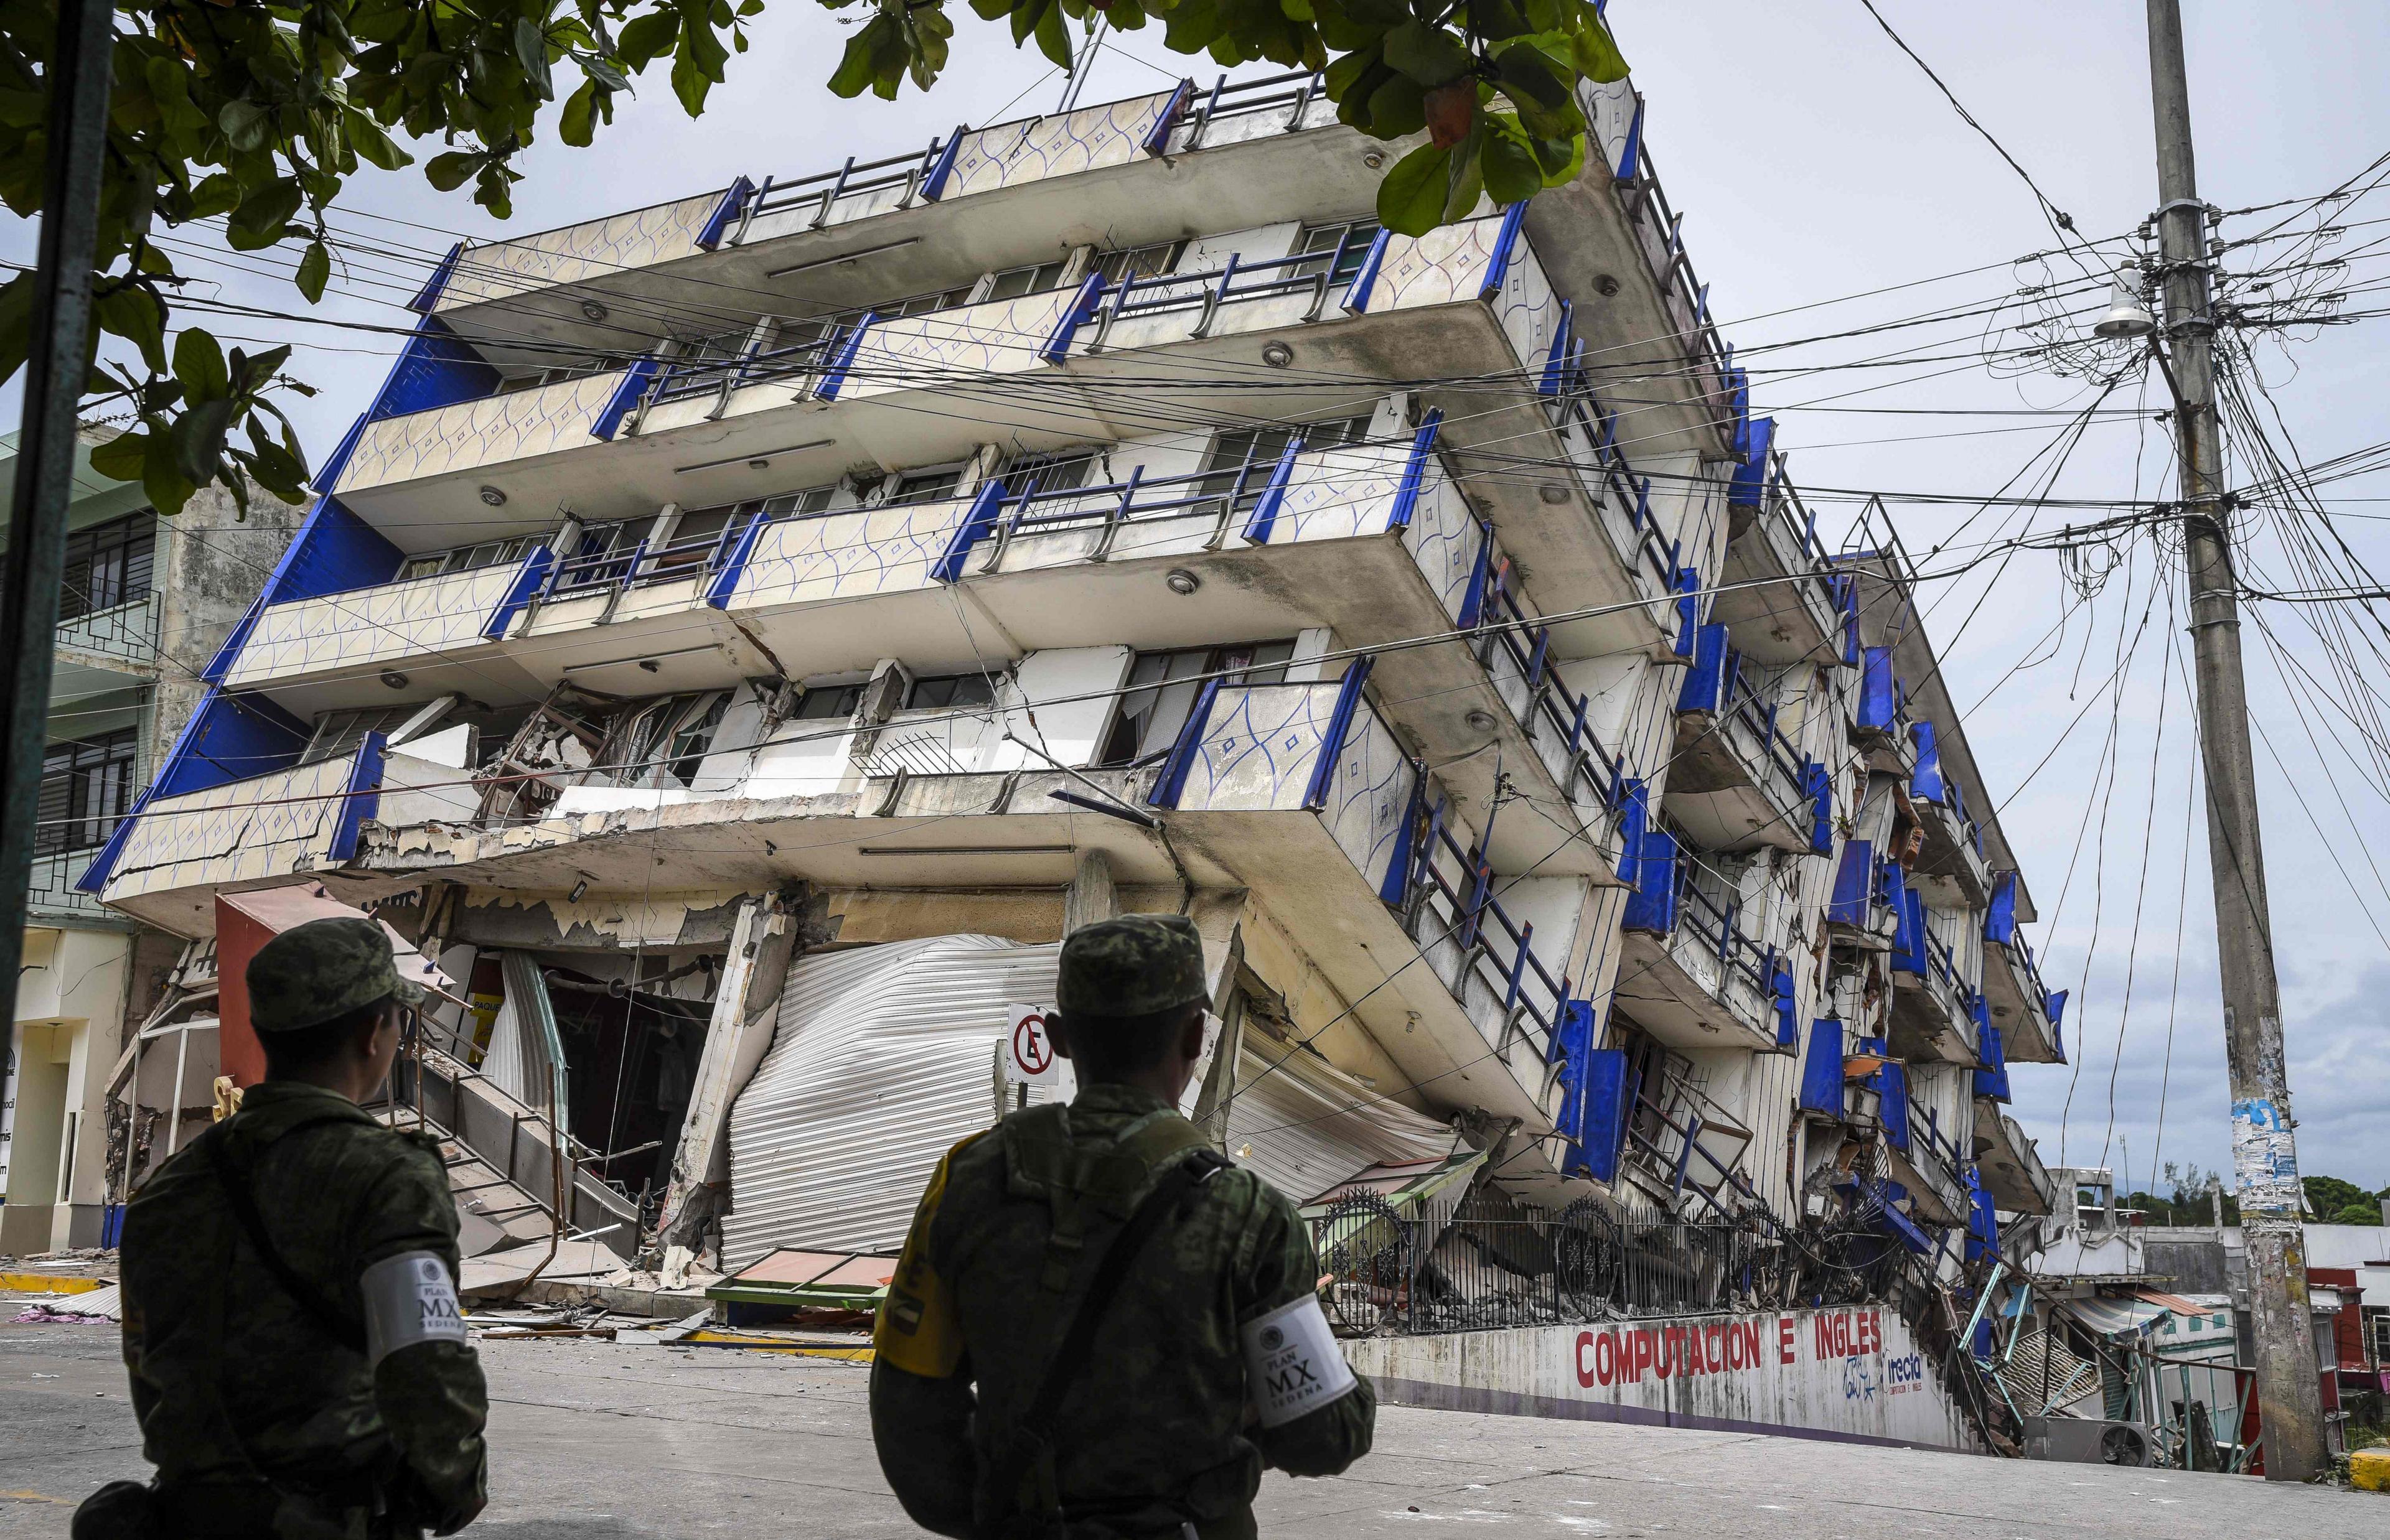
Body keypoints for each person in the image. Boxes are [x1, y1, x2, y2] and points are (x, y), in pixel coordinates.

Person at [870, 913, 1375, 1539]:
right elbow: (1324, 1436)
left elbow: (907, 1408)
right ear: (1196, 1036)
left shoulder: (970, 1178)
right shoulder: (1249, 1214)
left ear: (1057, 1037)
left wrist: (1001, 1512)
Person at [83, 917, 489, 1540]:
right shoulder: (386, 1177)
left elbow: (152, 1363)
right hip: (327, 1519)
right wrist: (453, 1488)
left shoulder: (171, 1187)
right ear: (372, 1032)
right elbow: (425, 1362)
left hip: (186, 1515)